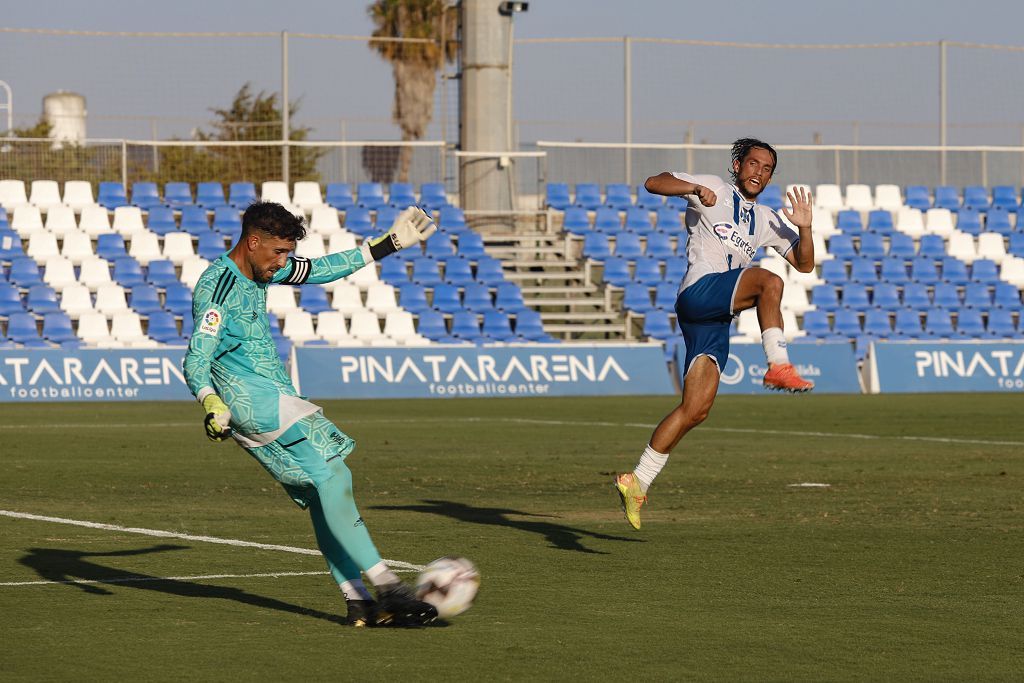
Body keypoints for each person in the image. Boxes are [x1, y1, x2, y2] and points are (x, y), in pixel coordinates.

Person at [183, 200, 439, 626]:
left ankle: (358, 600)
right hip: (254, 403)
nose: (284, 262)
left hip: (276, 395)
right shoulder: (217, 288)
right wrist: (212, 403)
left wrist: (388, 244)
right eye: (278, 253)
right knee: (334, 476)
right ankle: (388, 585)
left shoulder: (263, 268)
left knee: (326, 488)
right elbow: (196, 358)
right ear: (253, 242)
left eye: (287, 253)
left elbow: (318, 269)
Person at [614, 138, 816, 530]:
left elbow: (805, 264)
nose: (759, 172)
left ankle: (637, 481)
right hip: (698, 292)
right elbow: (653, 183)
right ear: (738, 165)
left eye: (767, 168)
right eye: (753, 164)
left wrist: (805, 229)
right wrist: (692, 189)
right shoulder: (715, 188)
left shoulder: (769, 219)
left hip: (714, 318)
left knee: (696, 410)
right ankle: (779, 364)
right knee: (769, 282)